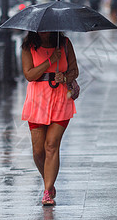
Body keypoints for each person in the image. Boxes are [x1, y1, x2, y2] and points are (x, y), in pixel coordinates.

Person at [21, 31, 78, 206]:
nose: (45, 30)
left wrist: (66, 77)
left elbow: (75, 71)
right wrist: (51, 60)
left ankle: (47, 191)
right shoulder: (27, 47)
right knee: (38, 151)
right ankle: (48, 180)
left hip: (61, 99)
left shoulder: (64, 43)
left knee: (51, 145)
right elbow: (29, 75)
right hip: (37, 100)